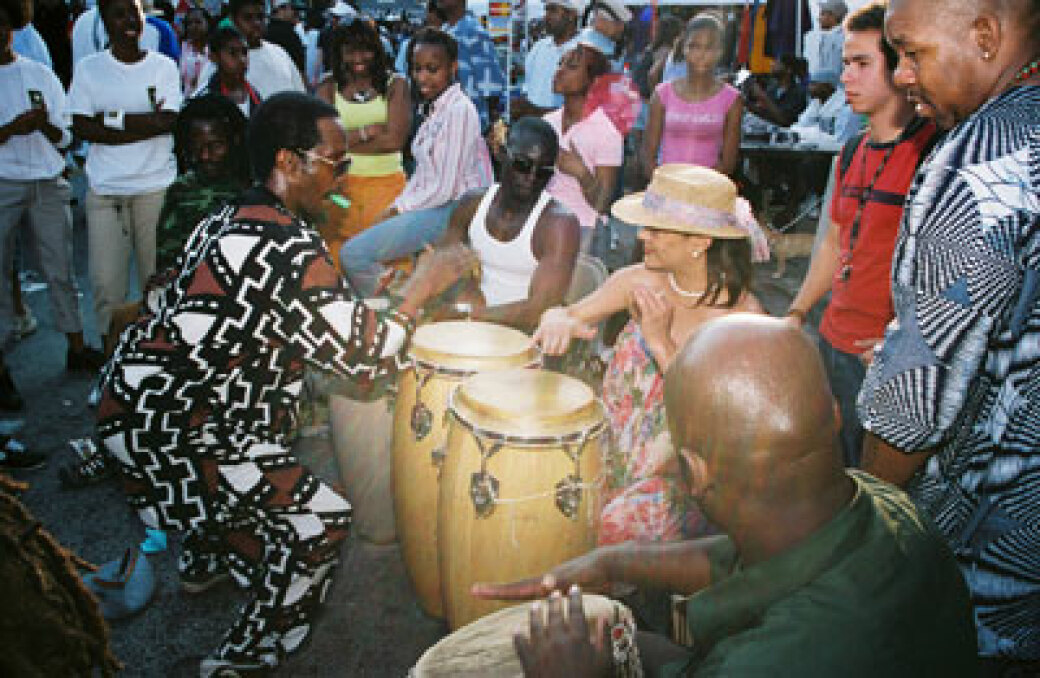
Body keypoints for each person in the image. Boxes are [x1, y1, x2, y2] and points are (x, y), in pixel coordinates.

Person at [95, 92, 475, 676]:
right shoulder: (290, 248)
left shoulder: (230, 216)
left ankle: (205, 557)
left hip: (137, 407)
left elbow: (181, 302)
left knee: (261, 449)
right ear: (288, 162)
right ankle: (246, 657)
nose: (342, 175)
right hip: (173, 430)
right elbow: (365, 357)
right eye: (335, 162)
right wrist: (423, 285)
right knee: (318, 520)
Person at [473, 315, 980, 677]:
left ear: (694, 471)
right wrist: (612, 563)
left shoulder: (765, 661)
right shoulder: (885, 505)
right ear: (831, 413)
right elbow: (745, 560)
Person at [857, 0, 1040, 668]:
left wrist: (861, 532)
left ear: (986, 36)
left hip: (983, 570)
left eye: (912, 52)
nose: (901, 75)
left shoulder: (979, 159)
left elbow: (915, 398)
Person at [535, 165, 764, 545]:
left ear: (700, 242)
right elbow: (568, 314)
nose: (642, 236)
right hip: (608, 447)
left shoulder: (743, 320)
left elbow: (719, 419)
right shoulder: (637, 281)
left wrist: (661, 344)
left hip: (681, 479)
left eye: (656, 229)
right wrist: (556, 319)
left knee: (610, 527)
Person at [785, 2, 936, 469]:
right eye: (846, 63)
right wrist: (797, 312)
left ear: (901, 69)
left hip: (883, 358)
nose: (846, 75)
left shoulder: (933, 153)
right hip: (834, 342)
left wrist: (905, 343)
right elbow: (834, 243)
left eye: (862, 64)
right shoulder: (850, 153)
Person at [0, 0, 105, 424]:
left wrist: (42, 125)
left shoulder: (39, 73)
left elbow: (65, 137)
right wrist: (11, 130)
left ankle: (77, 346)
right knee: (1, 272)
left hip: (46, 179)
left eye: (2, 25)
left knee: (59, 268)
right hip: (3, 182)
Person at [341, 28, 492, 297]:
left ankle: (392, 310)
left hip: (451, 211)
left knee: (354, 255)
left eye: (432, 69)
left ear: (453, 68)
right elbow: (422, 177)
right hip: (432, 207)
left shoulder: (459, 109)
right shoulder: (434, 109)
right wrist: (396, 206)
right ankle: (399, 299)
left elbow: (445, 187)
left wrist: (399, 211)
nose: (422, 78)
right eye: (417, 69)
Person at [68, 0, 181, 349]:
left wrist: (109, 119)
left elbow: (169, 120)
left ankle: (155, 362)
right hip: (106, 190)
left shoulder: (163, 67)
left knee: (158, 283)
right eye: (119, 14)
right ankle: (111, 370)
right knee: (106, 286)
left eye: (135, 12)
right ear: (105, 21)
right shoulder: (89, 69)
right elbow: (83, 126)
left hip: (155, 187)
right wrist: (145, 121)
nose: (130, 20)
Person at [437, 117, 580, 330]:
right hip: (470, 325)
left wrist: (471, 316)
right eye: (523, 165)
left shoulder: (559, 224)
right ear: (502, 155)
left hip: (521, 337)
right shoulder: (471, 204)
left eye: (543, 172)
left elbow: (538, 310)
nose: (531, 177)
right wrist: (461, 290)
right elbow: (440, 265)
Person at [316, 18, 410, 265]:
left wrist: (344, 140)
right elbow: (325, 143)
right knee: (340, 258)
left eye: (366, 49)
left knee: (387, 260)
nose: (359, 57)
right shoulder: (327, 86)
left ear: (377, 51)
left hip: (389, 188)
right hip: (341, 190)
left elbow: (394, 141)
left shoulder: (396, 84)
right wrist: (369, 131)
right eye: (350, 50)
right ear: (339, 53)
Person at [543, 34, 622, 251]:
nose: (559, 71)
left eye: (571, 67)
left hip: (584, 230)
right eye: (560, 64)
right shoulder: (548, 122)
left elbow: (603, 204)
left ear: (594, 81)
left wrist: (581, 173)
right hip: (545, 222)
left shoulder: (606, 132)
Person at [642, 15, 743, 179]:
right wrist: (665, 185)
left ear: (720, 52)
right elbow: (648, 155)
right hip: (666, 192)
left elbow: (728, 162)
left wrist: (697, 190)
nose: (701, 54)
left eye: (709, 48)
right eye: (694, 46)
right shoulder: (662, 94)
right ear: (684, 48)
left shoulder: (731, 99)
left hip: (707, 194)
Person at [195, 0, 303, 99]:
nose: (256, 23)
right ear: (233, 20)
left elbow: (300, 95)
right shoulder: (222, 60)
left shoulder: (279, 53)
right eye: (248, 18)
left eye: (260, 17)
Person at [436, 0, 506, 131]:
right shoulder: (444, 31)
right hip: (446, 123)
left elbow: (491, 88)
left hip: (468, 126)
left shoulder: (474, 32)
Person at [513, 0, 579, 119]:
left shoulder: (582, 52)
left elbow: (579, 108)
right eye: (546, 10)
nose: (546, 16)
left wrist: (534, 112)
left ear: (571, 15)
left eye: (553, 10)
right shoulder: (539, 48)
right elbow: (528, 90)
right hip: (532, 130)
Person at [194, 27, 262, 117]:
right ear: (214, 57)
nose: (242, 60)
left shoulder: (255, 96)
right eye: (233, 53)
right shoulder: (204, 97)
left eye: (244, 52)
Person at [744, 53, 808, 127]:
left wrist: (762, 97)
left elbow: (785, 121)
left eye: (777, 63)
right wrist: (745, 102)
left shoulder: (798, 93)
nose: (772, 64)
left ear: (789, 70)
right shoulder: (772, 89)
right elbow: (764, 113)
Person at [803, 0, 847, 85]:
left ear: (833, 16)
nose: (818, 18)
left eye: (822, 14)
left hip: (834, 90)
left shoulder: (840, 39)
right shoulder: (827, 37)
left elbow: (834, 71)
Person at [264, 0, 305, 80]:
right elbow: (300, 70)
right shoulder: (290, 35)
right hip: (288, 85)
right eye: (293, 9)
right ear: (281, 9)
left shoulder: (264, 31)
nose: (296, 14)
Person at [178, 5, 209, 94]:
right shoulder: (183, 48)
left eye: (198, 22)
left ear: (207, 23)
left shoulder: (215, 49)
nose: (193, 26)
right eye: (189, 23)